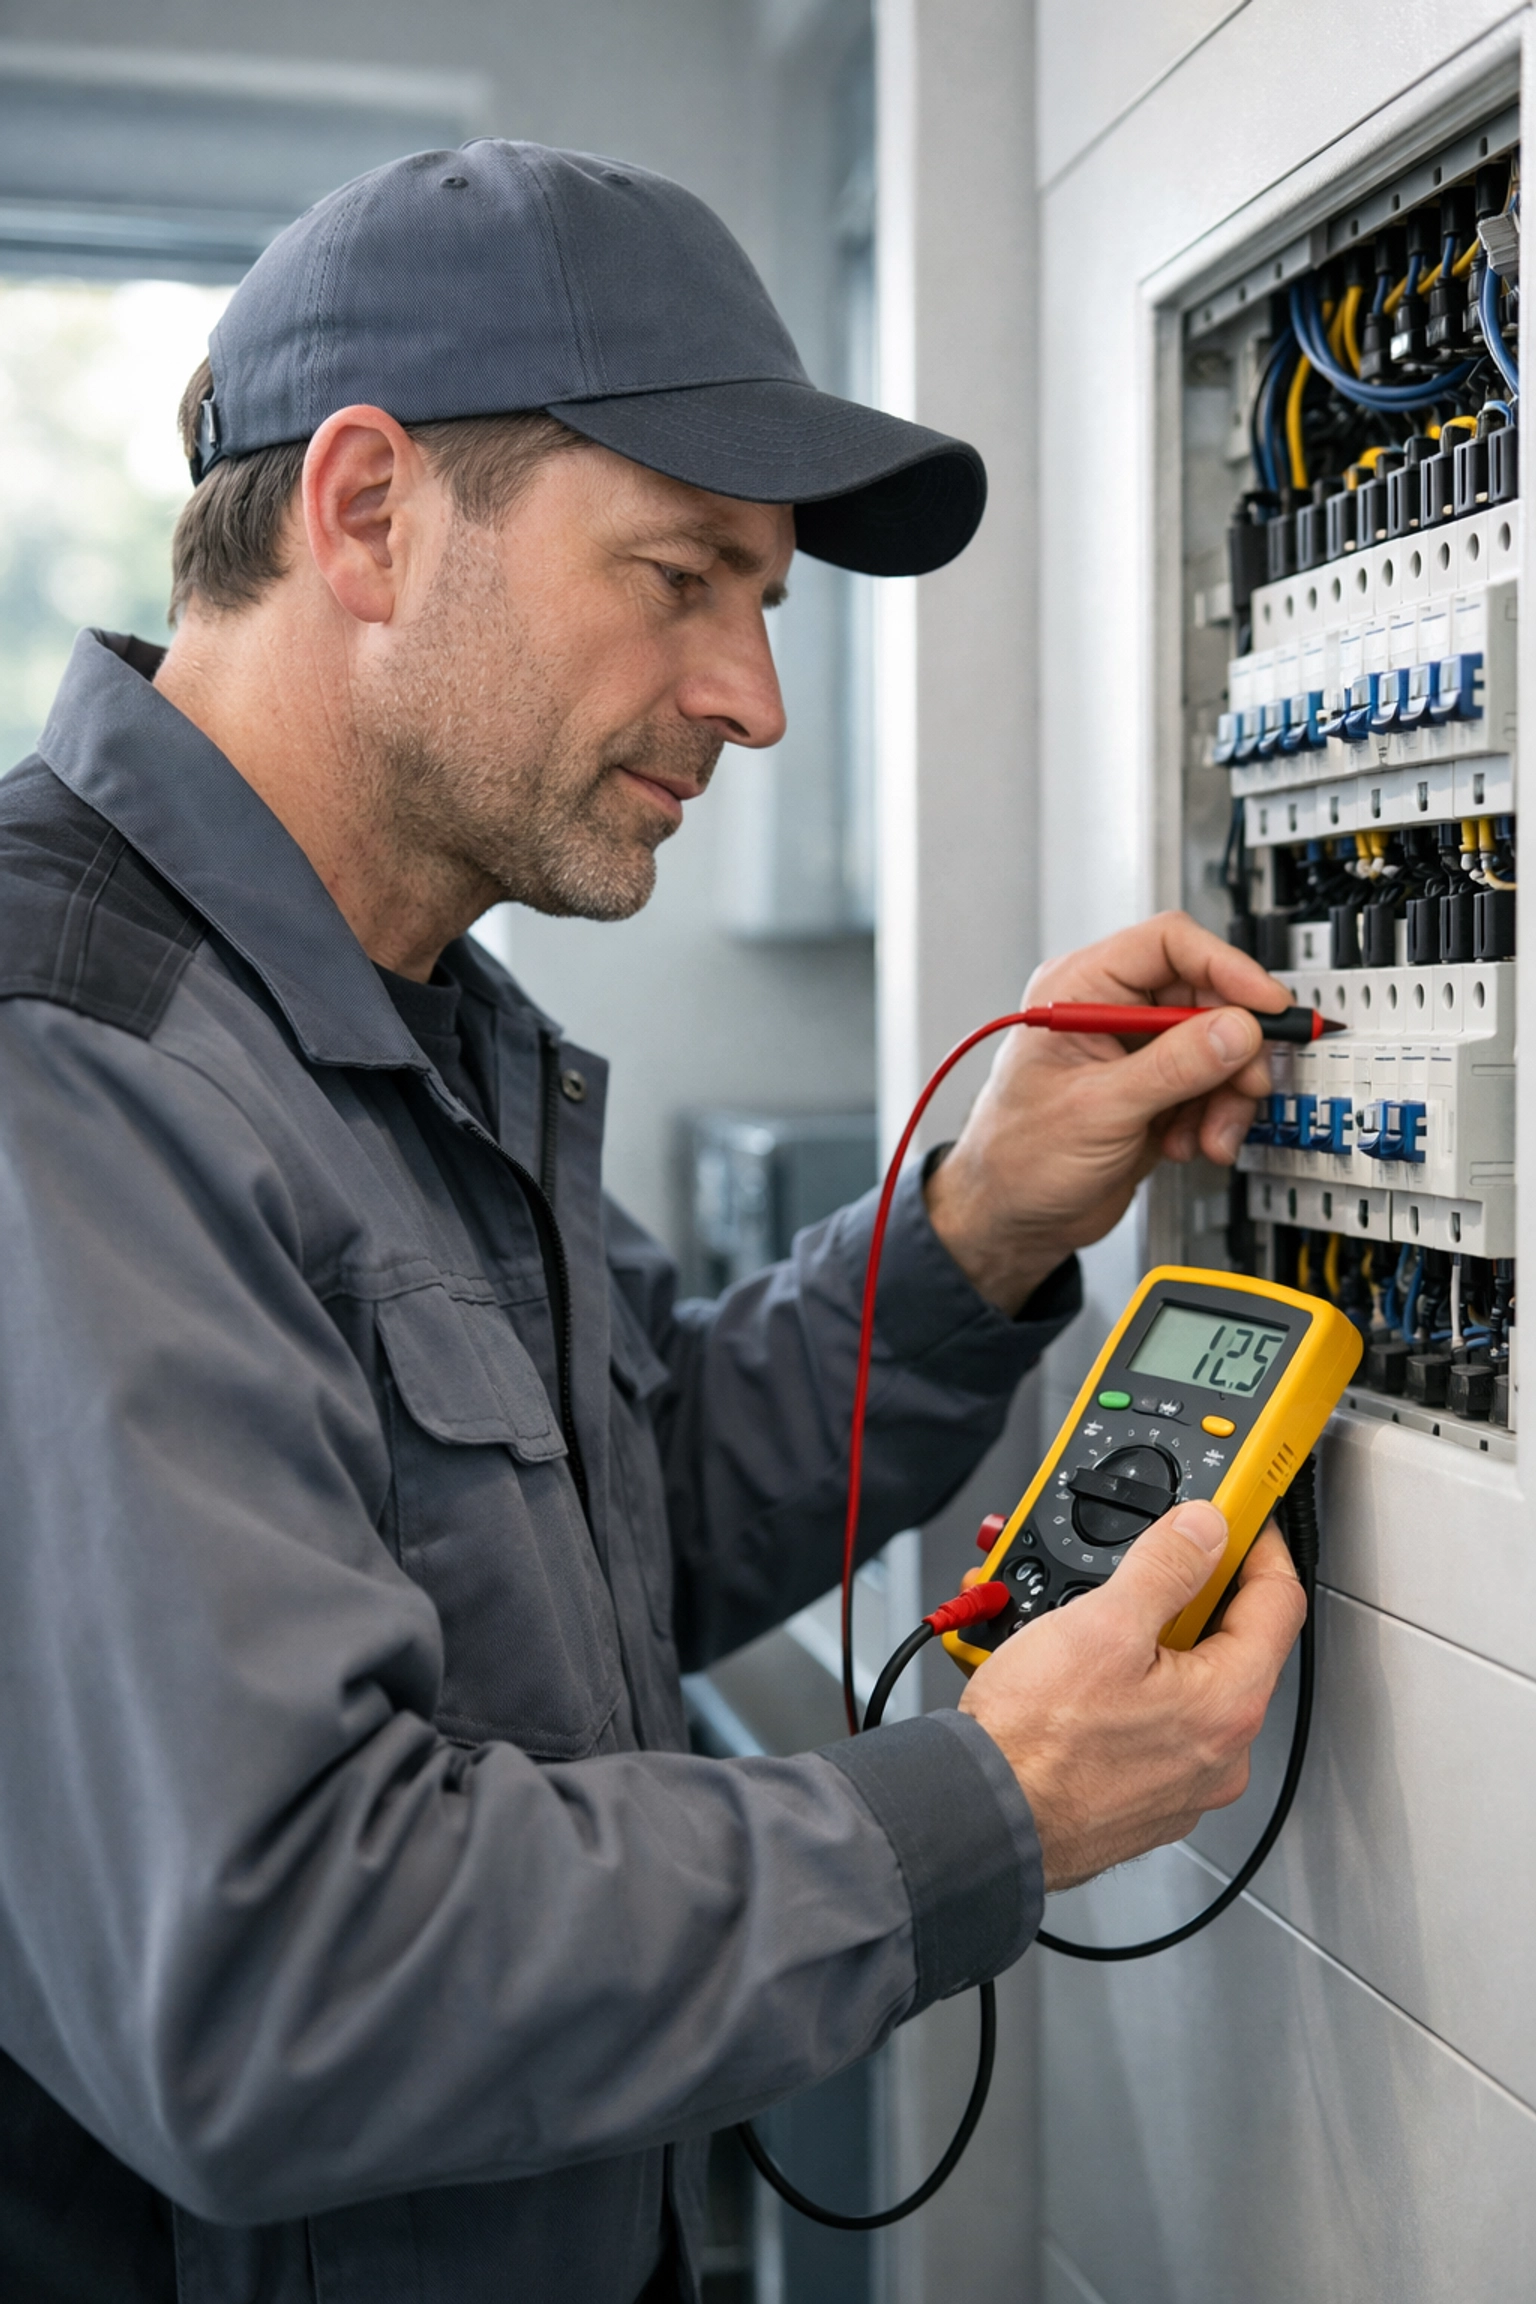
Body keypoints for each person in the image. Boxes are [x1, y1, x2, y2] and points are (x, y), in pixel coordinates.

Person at [0, 143, 1303, 2304]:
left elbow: (619, 1541)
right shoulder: (74, 1065)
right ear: (365, 513)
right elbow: (282, 1975)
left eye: (764, 606)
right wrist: (990, 1807)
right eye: (681, 578)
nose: (752, 699)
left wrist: (973, 1227)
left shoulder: (414, 1020)